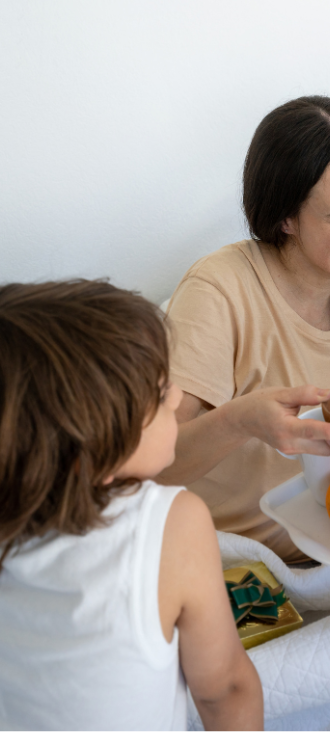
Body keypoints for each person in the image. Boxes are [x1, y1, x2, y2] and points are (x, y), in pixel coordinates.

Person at [157, 96, 330, 561]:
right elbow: (158, 465)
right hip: (259, 568)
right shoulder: (219, 290)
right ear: (285, 218)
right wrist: (241, 419)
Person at [0, 280, 262, 730]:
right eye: (160, 396)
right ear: (93, 454)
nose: (179, 397)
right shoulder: (172, 523)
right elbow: (225, 690)